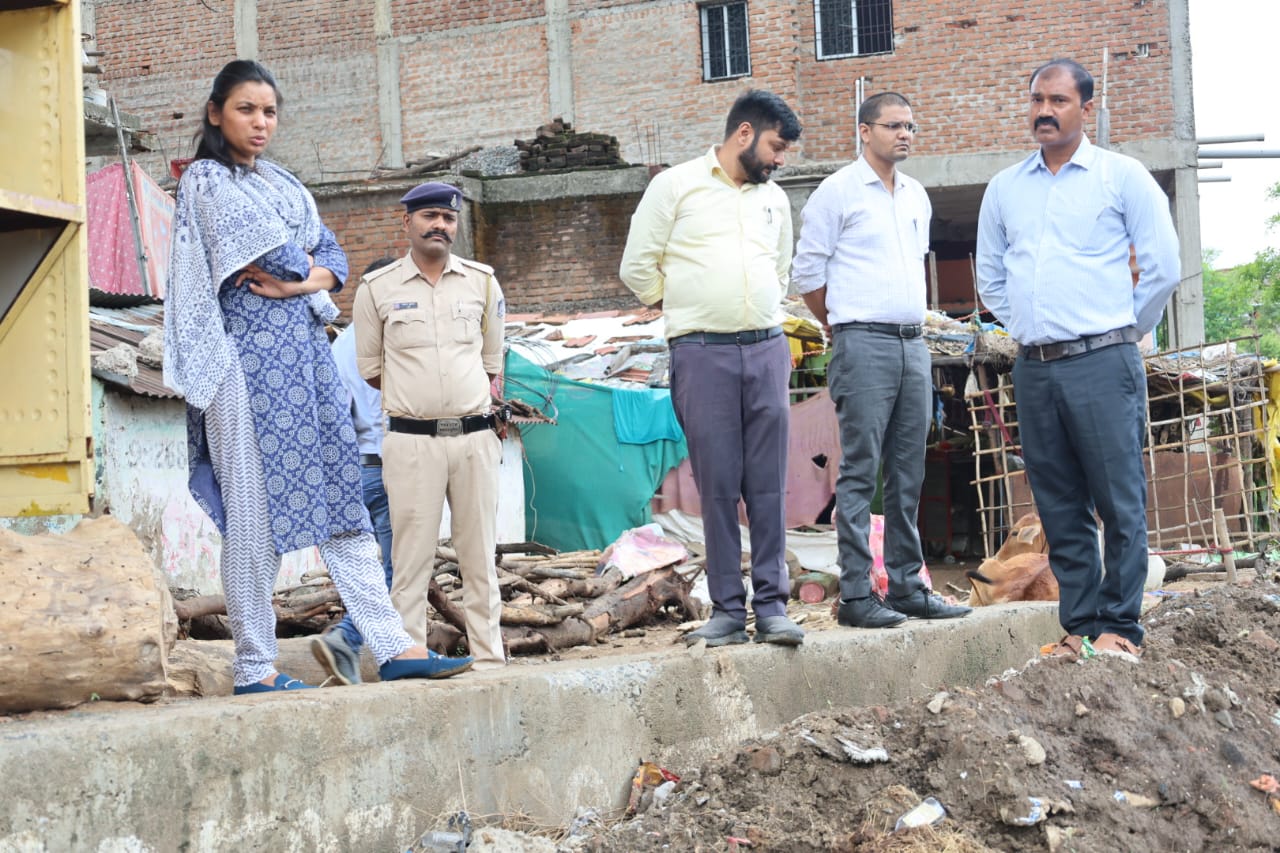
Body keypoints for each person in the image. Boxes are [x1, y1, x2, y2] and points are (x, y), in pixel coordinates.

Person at [163, 60, 473, 693]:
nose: (260, 122)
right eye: (247, 109)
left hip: (304, 362)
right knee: (252, 518)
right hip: (241, 368)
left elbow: (334, 258)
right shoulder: (205, 179)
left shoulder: (281, 182)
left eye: (269, 111)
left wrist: (301, 283)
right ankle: (254, 667)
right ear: (216, 113)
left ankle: (393, 647)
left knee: (343, 504)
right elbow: (279, 253)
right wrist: (304, 267)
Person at [976, 58, 1180, 660]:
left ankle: (1120, 628)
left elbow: (1164, 267)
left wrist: (1123, 330)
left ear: (1086, 109)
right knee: (1059, 505)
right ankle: (1081, 628)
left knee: (1119, 501)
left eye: (1058, 100)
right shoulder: (1005, 188)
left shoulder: (1122, 177)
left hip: (1102, 362)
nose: (1044, 111)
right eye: (1037, 99)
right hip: (1034, 368)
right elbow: (991, 277)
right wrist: (1027, 326)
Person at [619, 90, 805, 647]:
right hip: (702, 354)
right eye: (776, 147)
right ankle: (727, 611)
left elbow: (780, 268)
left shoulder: (774, 199)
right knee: (718, 486)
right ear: (744, 133)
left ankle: (772, 608)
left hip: (768, 349)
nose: (780, 160)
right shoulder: (675, 186)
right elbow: (637, 268)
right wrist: (689, 304)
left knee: (769, 486)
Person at [792, 92, 971, 629]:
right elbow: (807, 274)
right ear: (865, 131)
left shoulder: (916, 195)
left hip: (914, 344)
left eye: (910, 126)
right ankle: (855, 595)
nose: (905, 134)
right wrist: (839, 322)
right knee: (860, 470)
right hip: (862, 341)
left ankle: (908, 586)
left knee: (908, 470)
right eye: (893, 125)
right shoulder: (836, 191)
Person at [352, 182, 508, 670]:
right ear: (407, 222)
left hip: (474, 439)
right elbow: (371, 370)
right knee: (410, 562)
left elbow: (490, 363)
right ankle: (409, 660)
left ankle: (489, 661)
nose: (440, 225)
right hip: (411, 443)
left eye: (448, 217)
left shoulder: (483, 283)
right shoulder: (377, 289)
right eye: (429, 216)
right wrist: (422, 399)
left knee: (479, 559)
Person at [310, 258, 397, 685]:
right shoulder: (392, 338)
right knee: (399, 570)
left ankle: (366, 651)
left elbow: (334, 414)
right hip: (389, 467)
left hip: (353, 471)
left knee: (366, 568)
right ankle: (348, 637)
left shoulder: (341, 344)